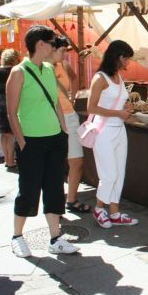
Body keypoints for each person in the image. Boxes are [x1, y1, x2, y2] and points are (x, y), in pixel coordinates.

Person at [6, 25, 79, 257]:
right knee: (28, 189)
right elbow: (11, 111)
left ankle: (55, 237)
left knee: (55, 188)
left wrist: (63, 131)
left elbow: (56, 102)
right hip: (31, 141)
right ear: (40, 44)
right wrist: (22, 140)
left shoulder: (49, 69)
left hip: (54, 138)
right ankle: (17, 236)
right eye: (51, 41)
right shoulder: (18, 72)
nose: (54, 46)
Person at [87, 40, 138, 228]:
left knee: (119, 173)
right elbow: (91, 107)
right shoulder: (100, 78)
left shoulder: (118, 76)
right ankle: (99, 208)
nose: (128, 63)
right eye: (127, 59)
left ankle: (114, 212)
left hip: (119, 129)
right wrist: (118, 112)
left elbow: (118, 103)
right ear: (119, 57)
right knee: (108, 174)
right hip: (104, 131)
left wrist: (127, 107)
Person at [50, 38, 90, 214]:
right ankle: (55, 204)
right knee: (56, 164)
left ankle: (71, 199)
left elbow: (73, 78)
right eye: (61, 50)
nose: (64, 54)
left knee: (77, 161)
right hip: (52, 119)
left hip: (70, 117)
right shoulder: (42, 69)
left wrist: (71, 98)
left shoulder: (63, 65)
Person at [0, 48, 20, 171]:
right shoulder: (14, 71)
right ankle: (10, 160)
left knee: (4, 135)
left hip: (0, 103)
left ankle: (6, 159)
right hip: (10, 103)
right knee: (9, 134)